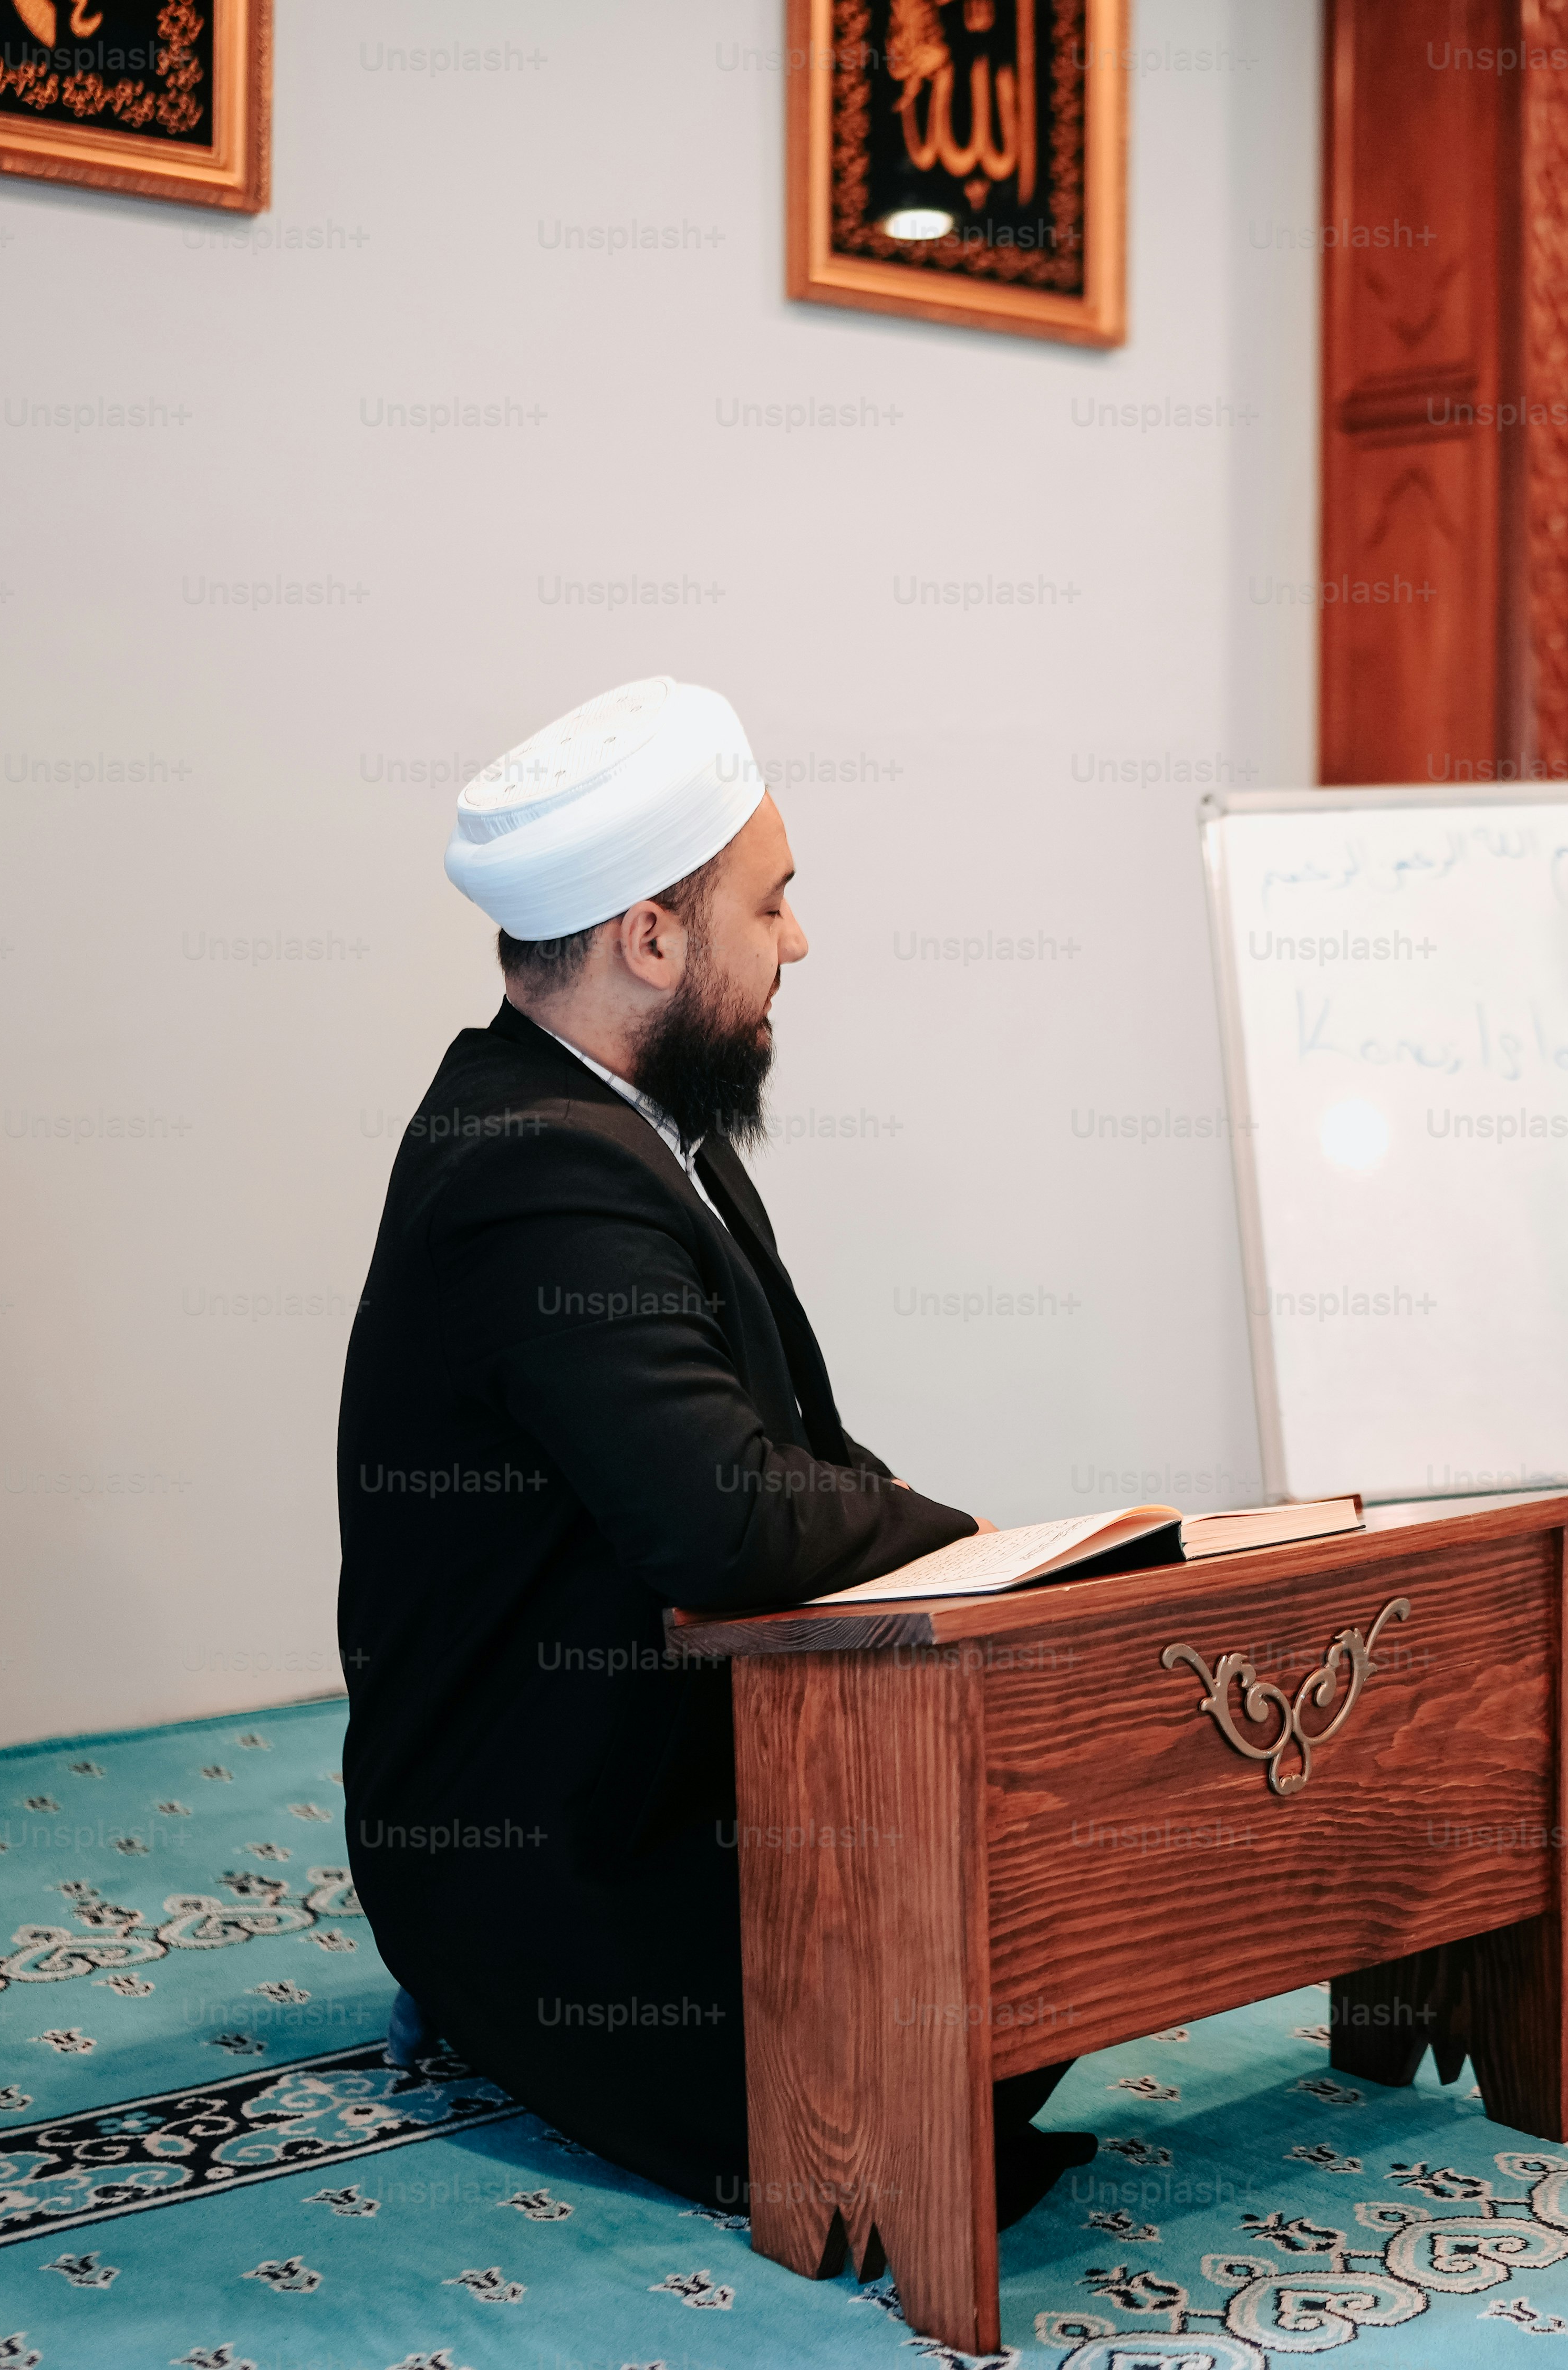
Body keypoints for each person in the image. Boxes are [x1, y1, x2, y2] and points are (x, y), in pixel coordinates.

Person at [335, 676, 1092, 2228]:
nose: (797, 942)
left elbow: (798, 1448)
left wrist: (997, 1573)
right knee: (965, 2013)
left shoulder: (624, 1118)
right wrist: (972, 1539)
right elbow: (731, 1526)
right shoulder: (537, 1165)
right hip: (561, 1834)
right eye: (774, 902)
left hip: (672, 1747)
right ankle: (488, 1998)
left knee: (1083, 1859)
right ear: (654, 939)